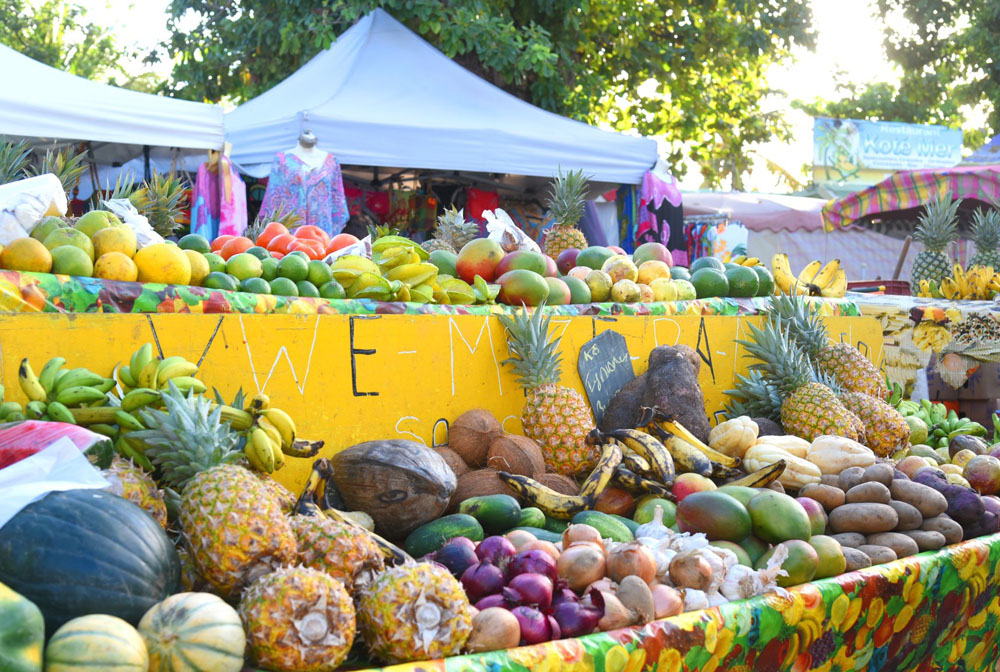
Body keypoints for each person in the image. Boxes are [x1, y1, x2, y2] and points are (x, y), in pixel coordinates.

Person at [260, 130, 349, 236]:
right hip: (291, 231)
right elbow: (273, 199)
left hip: (321, 231)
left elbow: (337, 200)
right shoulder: (282, 160)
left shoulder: (332, 161)